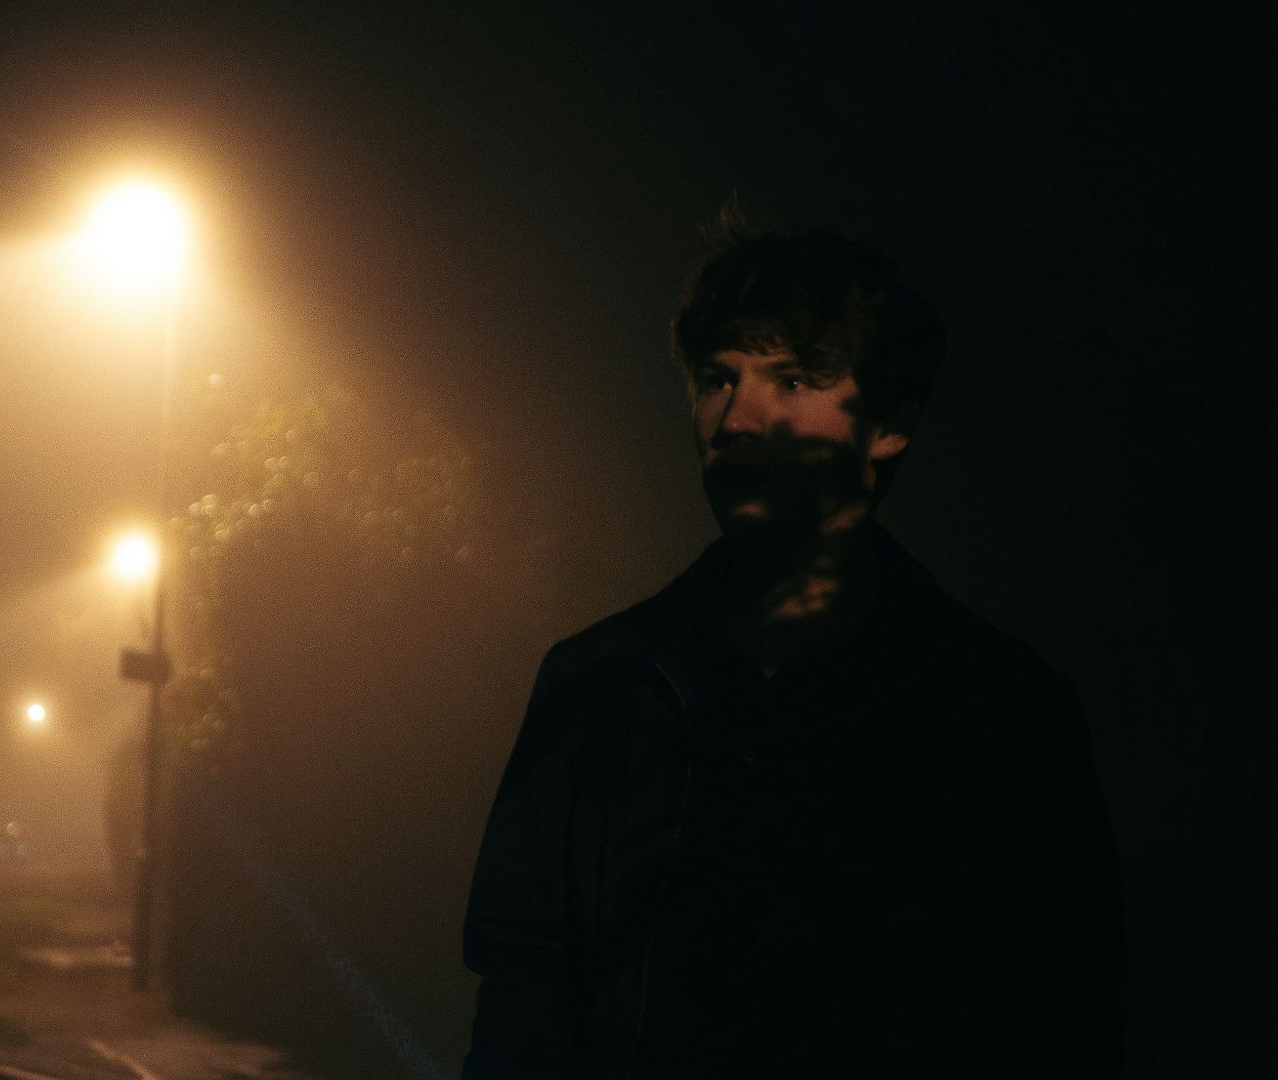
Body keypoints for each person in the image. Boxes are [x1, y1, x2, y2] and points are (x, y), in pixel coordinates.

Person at [462, 219, 1125, 1078]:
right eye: (716, 379)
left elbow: (1060, 1023)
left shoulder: (1003, 716)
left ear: (888, 422)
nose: (737, 418)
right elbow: (522, 989)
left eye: (794, 379)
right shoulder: (597, 686)